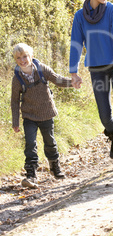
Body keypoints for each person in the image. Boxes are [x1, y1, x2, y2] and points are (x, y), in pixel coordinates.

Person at [69, 0, 113, 168]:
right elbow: (76, 44)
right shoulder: (80, 16)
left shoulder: (111, 10)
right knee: (104, 114)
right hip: (96, 69)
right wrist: (73, 71)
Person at [11, 43, 73, 189]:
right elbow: (14, 102)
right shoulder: (17, 78)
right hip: (29, 116)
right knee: (30, 144)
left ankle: (54, 167)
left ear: (31, 56)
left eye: (25, 56)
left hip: (46, 112)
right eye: (18, 58)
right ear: (16, 60)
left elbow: (57, 79)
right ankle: (31, 174)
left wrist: (72, 82)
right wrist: (15, 121)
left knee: (50, 141)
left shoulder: (41, 69)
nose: (22, 60)